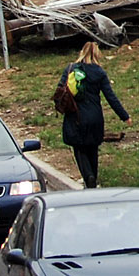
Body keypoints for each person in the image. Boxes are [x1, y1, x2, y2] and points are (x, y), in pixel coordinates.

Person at [57, 41, 128, 188]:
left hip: (75, 116)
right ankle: (93, 179)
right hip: (95, 116)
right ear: (97, 55)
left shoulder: (71, 69)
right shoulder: (99, 72)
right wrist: (124, 115)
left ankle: (88, 176)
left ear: (81, 52)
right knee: (93, 148)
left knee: (79, 148)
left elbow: (60, 90)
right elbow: (110, 96)